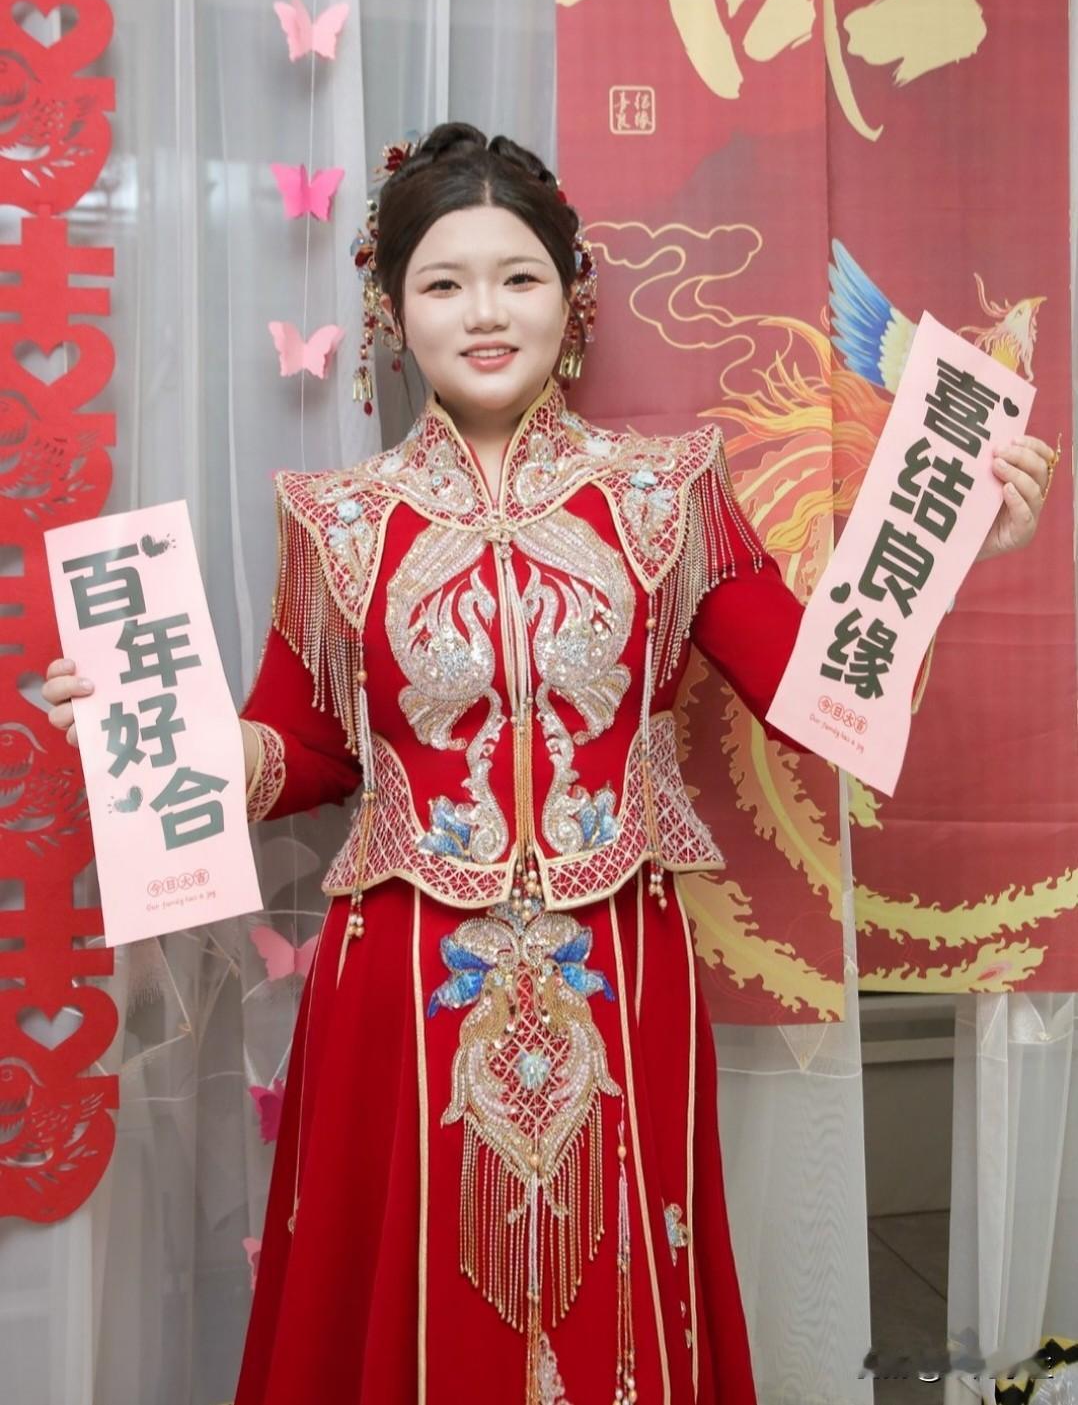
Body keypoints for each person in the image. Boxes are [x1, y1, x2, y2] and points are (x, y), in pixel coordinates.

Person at [44, 123, 1055, 1405]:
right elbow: (309, 753)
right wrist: (157, 735)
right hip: (400, 977)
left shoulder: (669, 494)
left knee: (614, 1295)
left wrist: (955, 552)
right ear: (390, 310)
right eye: (443, 282)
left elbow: (814, 697)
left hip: (616, 965)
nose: (484, 312)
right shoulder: (335, 520)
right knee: (415, 1298)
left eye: (517, 276)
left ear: (571, 299)